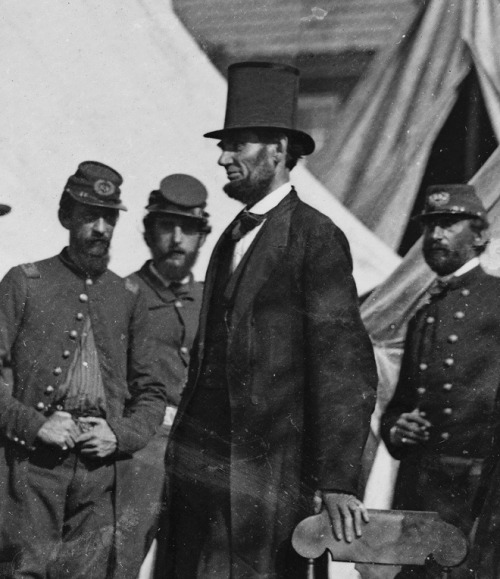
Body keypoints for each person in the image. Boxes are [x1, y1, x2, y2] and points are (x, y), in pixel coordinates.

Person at [158, 61, 378, 579]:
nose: (223, 157)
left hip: (271, 480)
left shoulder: (314, 236)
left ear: (278, 150)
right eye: (224, 145)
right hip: (205, 474)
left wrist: (338, 480)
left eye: (238, 145)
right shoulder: (229, 237)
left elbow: (343, 363)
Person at [0, 161, 166, 578]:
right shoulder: (25, 282)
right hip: (31, 468)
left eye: (108, 217)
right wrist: (34, 424)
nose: (100, 228)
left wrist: (120, 434)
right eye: (89, 215)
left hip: (99, 474)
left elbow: (150, 392)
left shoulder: (127, 295)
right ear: (65, 216)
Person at [380, 184, 500, 578]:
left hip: (476, 493)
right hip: (420, 490)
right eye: (430, 226)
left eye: (448, 224)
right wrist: (397, 428)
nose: (435, 236)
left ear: (480, 234)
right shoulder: (424, 314)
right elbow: (398, 404)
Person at [119, 174, 211, 577]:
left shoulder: (214, 300)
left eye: (188, 229)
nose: (177, 238)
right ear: (147, 232)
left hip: (199, 454)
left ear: (202, 237)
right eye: (166, 226)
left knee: (188, 566)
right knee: (120, 561)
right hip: (140, 452)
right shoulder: (121, 295)